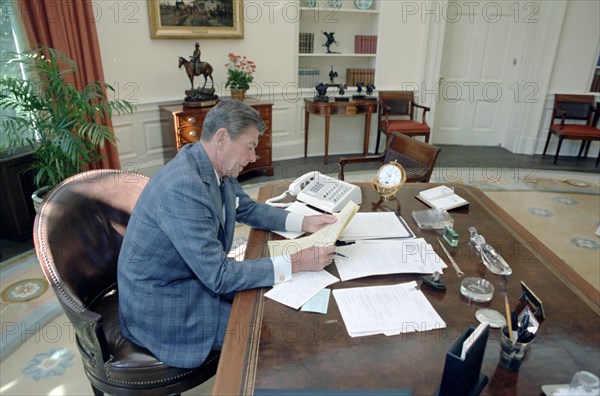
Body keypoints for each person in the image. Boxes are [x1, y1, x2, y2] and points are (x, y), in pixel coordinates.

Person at [118, 100, 337, 369]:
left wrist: (305, 222)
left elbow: (245, 208)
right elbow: (219, 276)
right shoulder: (183, 187)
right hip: (164, 305)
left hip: (193, 279)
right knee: (271, 330)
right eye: (250, 146)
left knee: (273, 300)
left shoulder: (213, 163)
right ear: (222, 138)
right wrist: (298, 261)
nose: (254, 157)